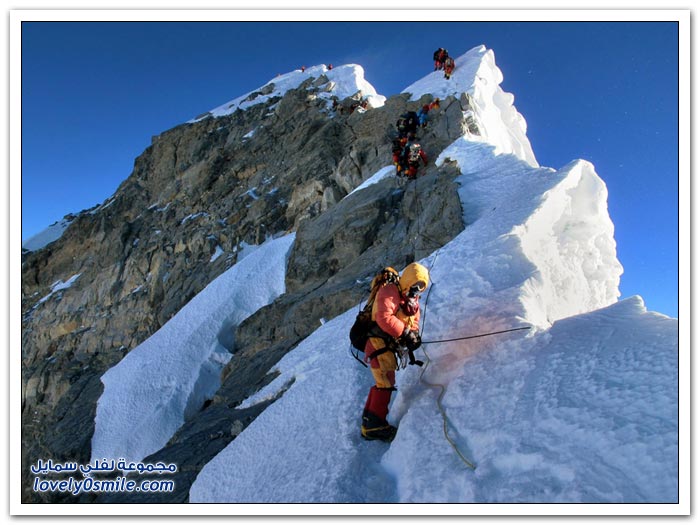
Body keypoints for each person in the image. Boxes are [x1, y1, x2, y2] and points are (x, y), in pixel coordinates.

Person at [361, 263, 430, 442]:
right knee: (385, 383)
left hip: (386, 347)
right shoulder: (389, 291)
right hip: (377, 345)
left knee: (384, 382)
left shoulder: (410, 299)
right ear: (407, 279)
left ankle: (368, 421)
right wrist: (405, 333)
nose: (417, 289)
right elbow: (384, 318)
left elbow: (413, 320)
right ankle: (374, 427)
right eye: (415, 284)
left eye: (421, 286)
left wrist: (413, 335)